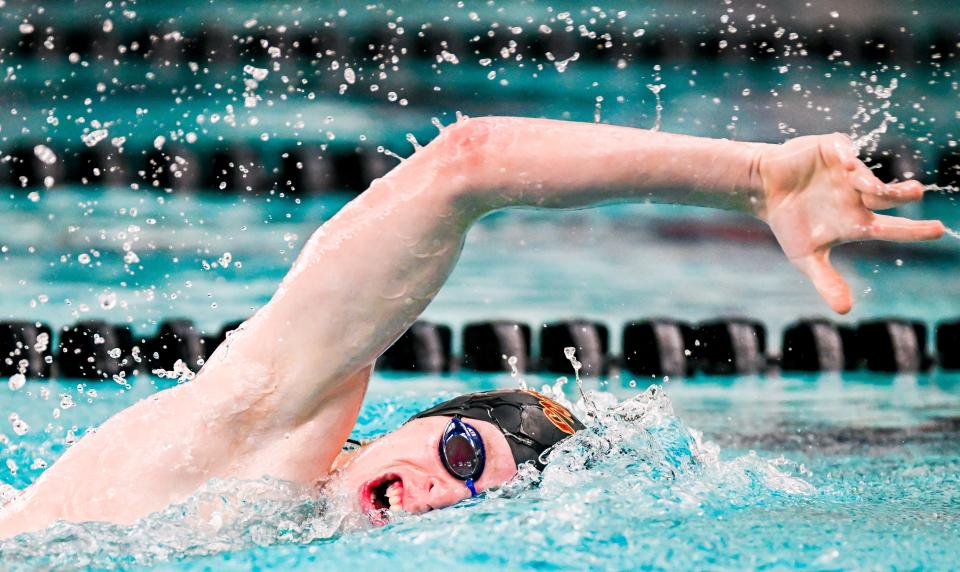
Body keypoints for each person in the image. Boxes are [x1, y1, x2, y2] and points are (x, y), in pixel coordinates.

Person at [0, 117, 944, 538]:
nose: (443, 497)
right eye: (459, 453)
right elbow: (464, 166)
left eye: (478, 503)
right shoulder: (263, 425)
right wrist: (750, 180)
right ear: (409, 421)